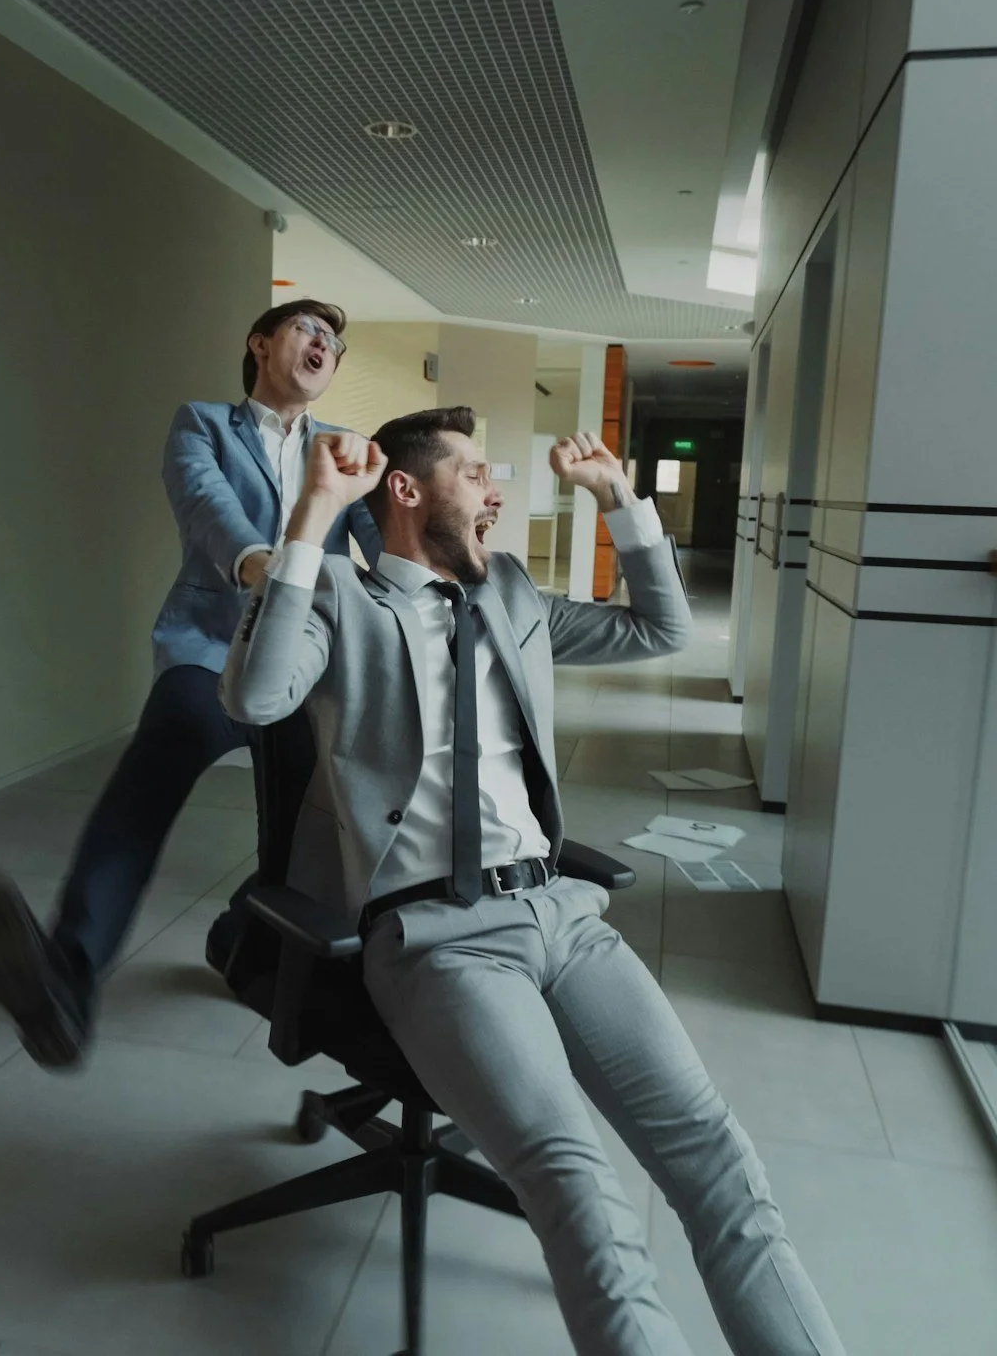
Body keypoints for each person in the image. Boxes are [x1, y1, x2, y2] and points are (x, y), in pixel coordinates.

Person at [219, 408, 844, 1356]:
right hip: (438, 938)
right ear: (405, 490)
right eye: (475, 473)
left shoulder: (510, 591)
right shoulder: (341, 595)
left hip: (562, 913)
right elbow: (256, 695)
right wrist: (309, 515)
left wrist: (618, 498)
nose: (496, 492)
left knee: (720, 1159)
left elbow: (661, 627)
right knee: (580, 1188)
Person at [0, 299, 383, 1069]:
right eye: (308, 329)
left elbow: (379, 549)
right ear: (261, 343)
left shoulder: (345, 447)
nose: (325, 343)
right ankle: (65, 978)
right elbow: (203, 502)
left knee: (315, 827)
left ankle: (242, 940)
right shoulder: (203, 424)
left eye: (334, 340)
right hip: (213, 645)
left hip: (307, 662)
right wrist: (259, 564)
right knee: (153, 771)